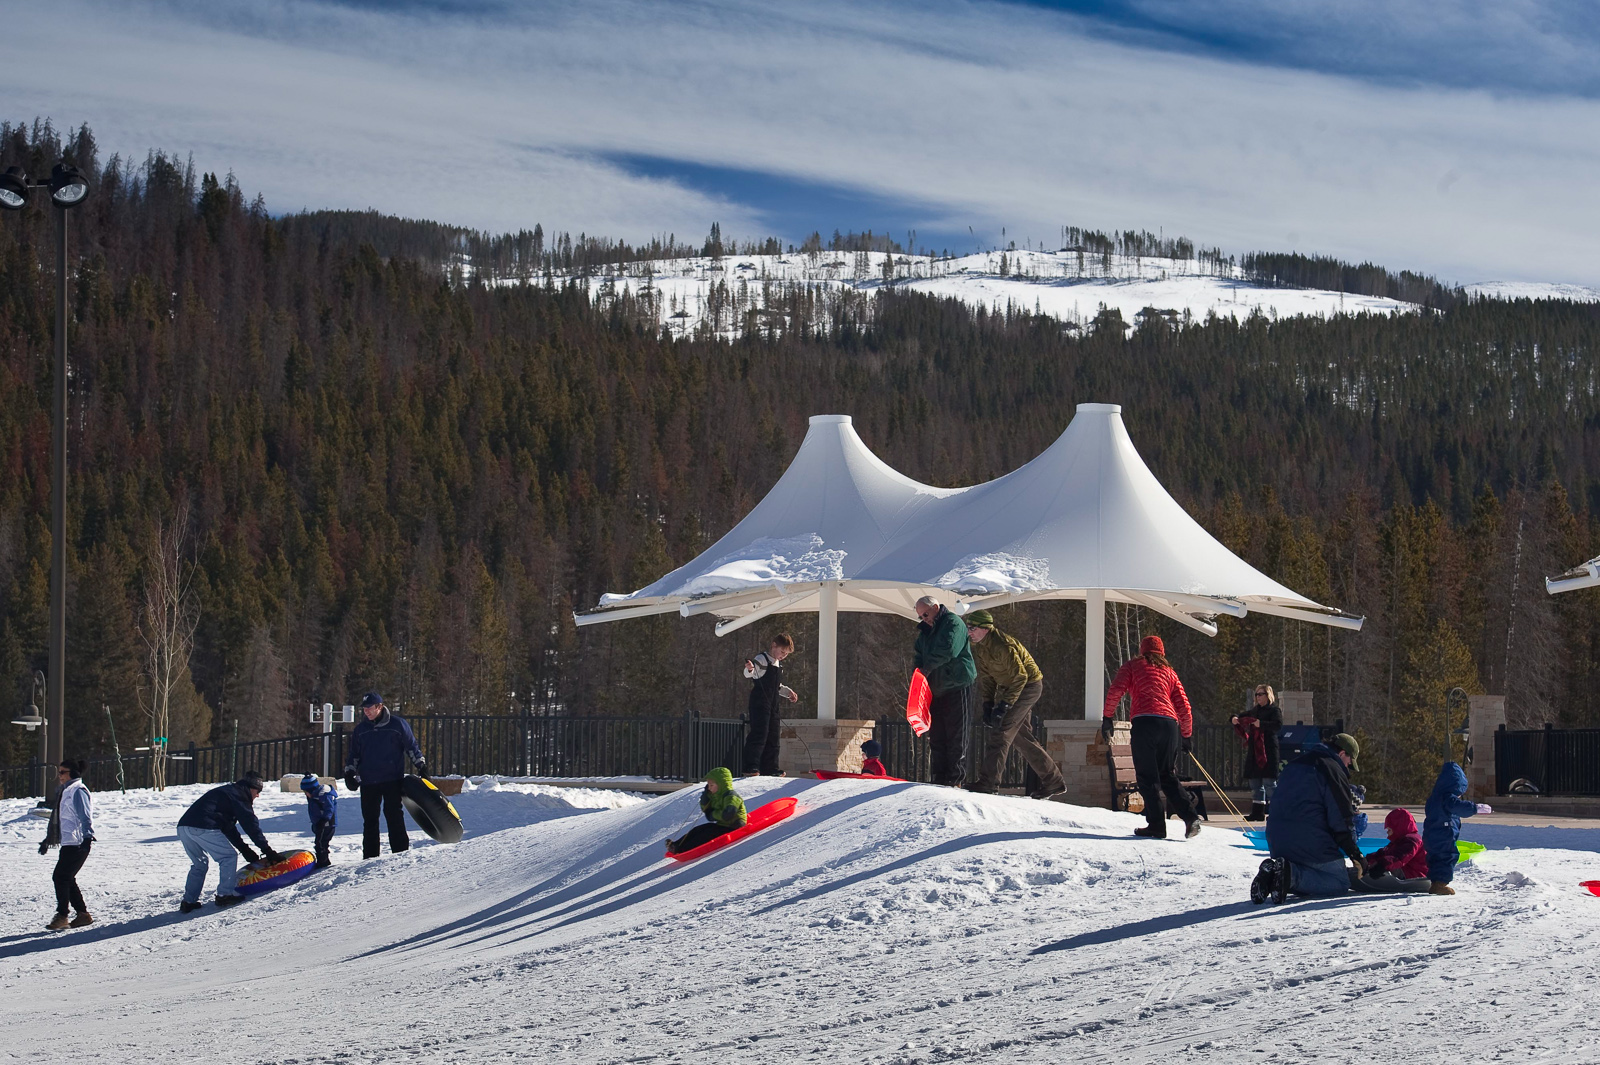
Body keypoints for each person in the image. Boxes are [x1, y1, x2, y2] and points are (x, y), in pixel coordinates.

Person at [1102, 635, 1200, 839]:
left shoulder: (1132, 666)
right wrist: (1186, 734)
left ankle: (1156, 825)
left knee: (1147, 776)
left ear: (1142, 650)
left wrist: (1108, 717)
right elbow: (1183, 705)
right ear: (1162, 652)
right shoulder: (1170, 672)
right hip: (1169, 725)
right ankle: (1190, 817)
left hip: (1145, 722)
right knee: (1167, 775)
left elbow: (1116, 690)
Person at [964, 609, 1066, 799]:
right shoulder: (981, 647)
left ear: (986, 628)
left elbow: (1021, 677)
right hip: (1011, 688)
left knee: (1001, 731)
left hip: (1028, 686)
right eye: (967, 628)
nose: (969, 632)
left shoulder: (1002, 645)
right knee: (1021, 738)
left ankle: (989, 783)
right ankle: (1053, 781)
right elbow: (988, 678)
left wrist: (1004, 706)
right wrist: (988, 703)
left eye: (972, 628)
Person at [1254, 733, 1365, 902]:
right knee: (1339, 882)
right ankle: (1290, 876)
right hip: (1308, 841)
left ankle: (1274, 874)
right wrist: (1356, 856)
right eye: (1350, 762)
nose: (1348, 767)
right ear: (1342, 754)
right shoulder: (1331, 769)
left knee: (1303, 867)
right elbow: (1341, 820)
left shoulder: (1294, 764)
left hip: (1276, 840)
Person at [177, 770, 283, 912]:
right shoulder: (239, 796)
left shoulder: (230, 792)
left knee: (199, 864)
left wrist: (245, 849)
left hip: (184, 827)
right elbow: (251, 826)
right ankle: (224, 896)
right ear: (252, 788)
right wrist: (268, 851)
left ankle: (188, 902)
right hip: (203, 826)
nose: (258, 795)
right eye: (258, 791)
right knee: (228, 857)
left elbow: (228, 828)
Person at [344, 692, 427, 860]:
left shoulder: (397, 725)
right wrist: (349, 772)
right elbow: (354, 754)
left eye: (369, 708)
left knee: (394, 816)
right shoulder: (361, 730)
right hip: (368, 782)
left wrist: (421, 766)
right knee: (370, 820)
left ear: (380, 706)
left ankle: (400, 854)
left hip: (392, 780)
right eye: (364, 708)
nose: (366, 711)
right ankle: (370, 858)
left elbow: (411, 746)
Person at [913, 596, 977, 787]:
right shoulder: (925, 632)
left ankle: (955, 779)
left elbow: (949, 649)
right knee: (938, 735)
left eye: (926, 614)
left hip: (957, 684)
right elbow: (918, 653)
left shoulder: (953, 622)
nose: (924, 619)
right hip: (936, 688)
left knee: (957, 734)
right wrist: (918, 673)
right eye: (920, 617)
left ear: (935, 607)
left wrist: (927, 667)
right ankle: (939, 777)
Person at [40, 759, 94, 930]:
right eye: (59, 771)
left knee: (60, 877)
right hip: (69, 841)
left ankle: (62, 915)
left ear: (73, 773)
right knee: (66, 878)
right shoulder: (67, 791)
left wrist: (87, 838)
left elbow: (85, 816)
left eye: (63, 772)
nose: (59, 775)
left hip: (78, 842)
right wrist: (48, 839)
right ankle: (83, 914)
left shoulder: (77, 791)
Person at [1422, 761, 1489, 896]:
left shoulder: (1434, 797)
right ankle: (1440, 884)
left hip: (1431, 834)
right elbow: (1458, 807)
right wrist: (1475, 808)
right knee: (1447, 856)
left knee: (1435, 857)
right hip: (1444, 834)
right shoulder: (1447, 798)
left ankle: (1435, 882)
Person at [742, 633, 799, 776]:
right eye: (782, 652)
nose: (783, 656)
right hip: (759, 702)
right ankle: (751, 766)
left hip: (773, 704)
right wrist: (749, 668)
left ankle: (771, 768)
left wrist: (788, 692)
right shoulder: (762, 659)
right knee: (760, 733)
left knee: (773, 735)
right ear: (774, 645)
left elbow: (776, 686)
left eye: (786, 654)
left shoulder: (778, 664)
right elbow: (752, 673)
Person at [665, 767, 748, 855]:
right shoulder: (716, 796)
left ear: (721, 784)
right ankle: (676, 845)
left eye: (711, 785)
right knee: (699, 829)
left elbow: (728, 814)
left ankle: (683, 849)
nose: (709, 788)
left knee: (706, 835)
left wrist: (712, 815)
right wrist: (705, 797)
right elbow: (706, 809)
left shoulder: (731, 796)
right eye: (708, 785)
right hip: (723, 824)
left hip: (734, 826)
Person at [1231, 684, 1282, 821]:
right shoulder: (1254, 711)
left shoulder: (1274, 710)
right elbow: (1242, 716)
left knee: (1269, 784)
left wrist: (1262, 724)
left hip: (1268, 751)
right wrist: (1234, 718)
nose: (1258, 697)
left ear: (1268, 695)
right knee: (1255, 784)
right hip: (1255, 750)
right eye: (1257, 695)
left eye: (1261, 694)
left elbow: (1277, 725)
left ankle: (1278, 812)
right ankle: (1258, 813)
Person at [300, 772, 338, 867]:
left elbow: (329, 809)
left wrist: (324, 820)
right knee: (321, 842)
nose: (305, 794)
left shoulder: (323, 795)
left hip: (326, 825)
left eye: (306, 792)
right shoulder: (314, 796)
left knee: (320, 843)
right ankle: (323, 860)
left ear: (311, 790)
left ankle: (323, 862)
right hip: (319, 824)